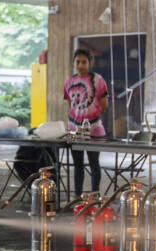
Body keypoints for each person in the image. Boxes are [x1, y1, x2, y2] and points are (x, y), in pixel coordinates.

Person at [64, 48, 108, 198]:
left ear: (90, 63)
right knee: (77, 164)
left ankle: (95, 195)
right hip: (74, 129)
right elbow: (69, 103)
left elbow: (104, 104)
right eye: (78, 62)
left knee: (94, 163)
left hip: (94, 129)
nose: (80, 65)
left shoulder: (98, 80)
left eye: (84, 62)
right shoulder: (69, 81)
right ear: (74, 63)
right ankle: (77, 196)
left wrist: (90, 115)